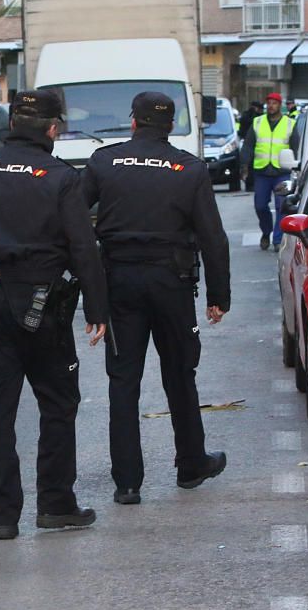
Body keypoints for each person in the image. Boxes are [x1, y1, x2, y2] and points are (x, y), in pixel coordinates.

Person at [0, 89, 107, 540]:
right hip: (45, 306)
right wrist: (97, 308)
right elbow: (83, 246)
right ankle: (56, 503)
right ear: (53, 130)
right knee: (58, 404)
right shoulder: (61, 177)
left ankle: (2, 515)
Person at [82, 91, 230, 506]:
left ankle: (127, 482)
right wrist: (219, 295)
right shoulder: (189, 168)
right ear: (170, 126)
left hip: (120, 281)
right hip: (172, 282)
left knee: (123, 380)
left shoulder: (104, 161)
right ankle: (190, 465)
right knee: (180, 374)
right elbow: (212, 238)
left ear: (133, 121)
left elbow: (73, 216)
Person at [240, 92, 299, 251]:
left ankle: (278, 239)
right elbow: (248, 145)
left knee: (282, 206)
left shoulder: (289, 123)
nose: (271, 106)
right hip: (262, 172)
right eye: (269, 103)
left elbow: (295, 147)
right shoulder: (257, 123)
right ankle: (266, 232)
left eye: (274, 103)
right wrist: (244, 165)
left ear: (280, 105)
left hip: (282, 171)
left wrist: (296, 167)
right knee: (260, 206)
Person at [237, 101, 262, 193]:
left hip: (250, 142)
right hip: (252, 142)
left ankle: (250, 184)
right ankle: (250, 184)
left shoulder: (247, 115)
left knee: (250, 165)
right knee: (250, 165)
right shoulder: (255, 117)